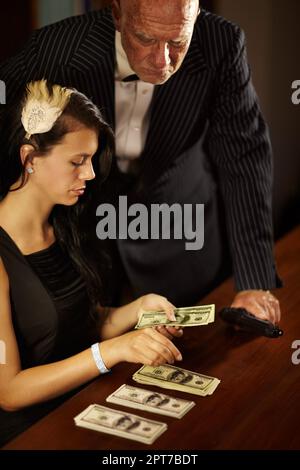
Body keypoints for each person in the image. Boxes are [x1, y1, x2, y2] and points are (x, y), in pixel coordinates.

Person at [0, 0, 281, 322]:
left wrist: (255, 282)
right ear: (118, 15)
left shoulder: (222, 43)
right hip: (81, 235)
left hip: (179, 231)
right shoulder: (54, 47)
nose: (162, 61)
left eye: (177, 42)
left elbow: (244, 158)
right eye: (145, 39)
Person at [0, 80, 183, 447]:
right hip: (31, 435)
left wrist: (137, 309)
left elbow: (76, 324)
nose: (90, 174)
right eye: (77, 161)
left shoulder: (65, 225)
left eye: (91, 159)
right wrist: (113, 351)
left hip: (84, 409)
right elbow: (9, 391)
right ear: (29, 158)